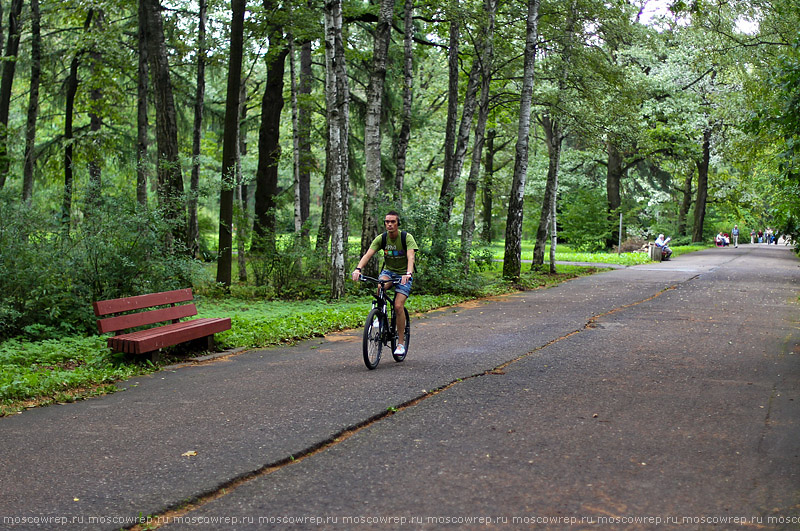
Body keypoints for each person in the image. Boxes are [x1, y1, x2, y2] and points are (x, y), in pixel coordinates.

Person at [351, 211, 418, 357]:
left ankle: (400, 344)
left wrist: (408, 273)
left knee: (398, 306)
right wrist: (358, 269)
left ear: (397, 223)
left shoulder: (406, 237)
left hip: (403, 275)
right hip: (388, 272)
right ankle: (378, 316)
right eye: (387, 222)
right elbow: (368, 254)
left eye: (393, 222)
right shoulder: (381, 238)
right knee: (380, 286)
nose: (389, 224)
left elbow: (410, 256)